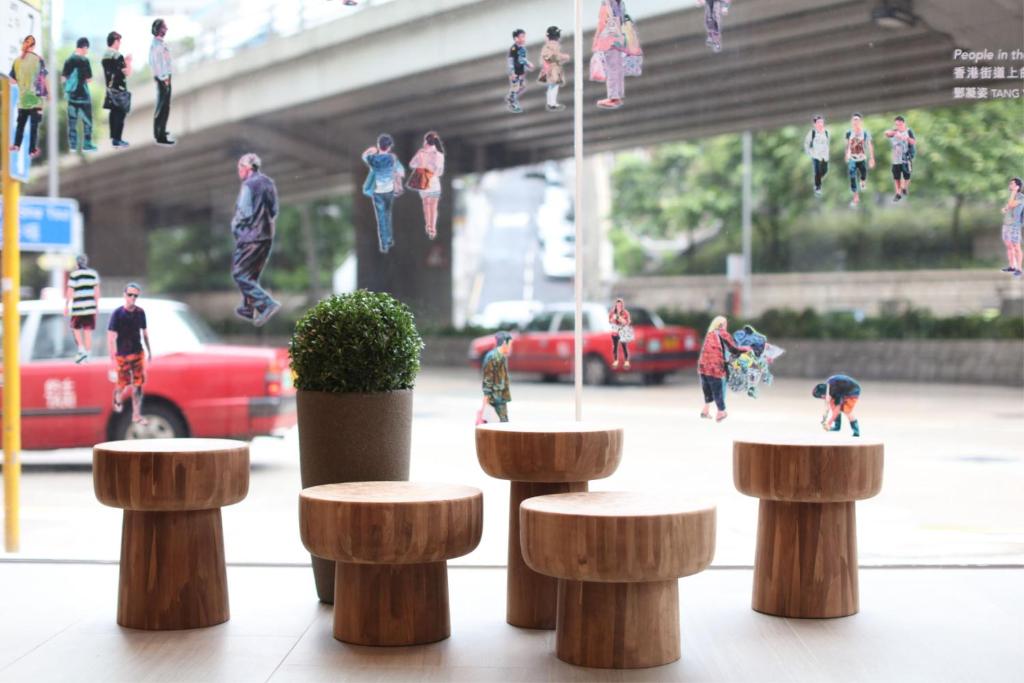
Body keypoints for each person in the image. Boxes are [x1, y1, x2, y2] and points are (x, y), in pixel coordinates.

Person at [231, 153, 282, 326]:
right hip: (267, 235)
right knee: (250, 274)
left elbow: (244, 213)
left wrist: (235, 227)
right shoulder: (268, 183)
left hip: (251, 237)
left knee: (239, 273)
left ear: (247, 168)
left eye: (240, 167)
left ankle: (266, 304)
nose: (239, 171)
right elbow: (274, 210)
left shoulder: (249, 185)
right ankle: (248, 307)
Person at [107, 283, 152, 425]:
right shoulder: (117, 313)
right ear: (124, 295)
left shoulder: (140, 312)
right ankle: (117, 400)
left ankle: (136, 414)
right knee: (122, 383)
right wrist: (112, 357)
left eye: (135, 295)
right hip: (122, 355)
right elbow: (111, 336)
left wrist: (149, 350)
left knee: (138, 385)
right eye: (130, 295)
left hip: (137, 353)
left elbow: (144, 333)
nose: (132, 298)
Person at [697, 316, 750, 422]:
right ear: (721, 325)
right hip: (714, 368)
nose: (726, 326)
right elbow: (733, 349)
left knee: (707, 390)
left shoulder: (710, 334)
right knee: (718, 390)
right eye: (725, 324)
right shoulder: (722, 333)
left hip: (703, 367)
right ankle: (720, 412)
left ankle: (705, 410)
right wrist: (746, 349)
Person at [362, 134, 405, 254]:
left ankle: (384, 243)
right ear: (389, 147)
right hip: (389, 191)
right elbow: (401, 172)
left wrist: (371, 150)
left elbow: (364, 156)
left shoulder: (373, 159)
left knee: (381, 218)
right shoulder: (392, 158)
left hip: (377, 192)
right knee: (387, 215)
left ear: (378, 145)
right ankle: (389, 239)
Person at [8, 35, 47, 159]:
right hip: (35, 100)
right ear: (33, 46)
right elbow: (42, 79)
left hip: (23, 99)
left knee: (20, 125)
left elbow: (12, 81)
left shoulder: (17, 61)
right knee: (34, 127)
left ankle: (16, 145)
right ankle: (32, 150)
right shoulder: (38, 59)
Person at [592, 0, 629, 109]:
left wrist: (596, 40)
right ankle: (618, 95)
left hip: (609, 39)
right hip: (619, 38)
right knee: (617, 68)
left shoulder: (606, 4)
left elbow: (602, 23)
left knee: (612, 69)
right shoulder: (619, 4)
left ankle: (613, 97)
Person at [62, 37, 97, 152]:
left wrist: (68, 89)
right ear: (84, 47)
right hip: (83, 97)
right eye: (87, 48)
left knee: (72, 121)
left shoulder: (68, 60)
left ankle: (73, 145)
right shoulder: (84, 60)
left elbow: (63, 78)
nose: (87, 51)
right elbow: (89, 79)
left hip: (72, 97)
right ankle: (87, 144)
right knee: (87, 121)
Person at [408, 131, 445, 239]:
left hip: (423, 181)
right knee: (434, 206)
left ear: (426, 141)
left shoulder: (421, 152)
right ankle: (433, 227)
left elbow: (412, 164)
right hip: (434, 182)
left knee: (426, 204)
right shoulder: (439, 154)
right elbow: (440, 172)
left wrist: (421, 164)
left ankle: (428, 224)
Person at [65, 254, 100, 364]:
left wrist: (66, 305)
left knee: (75, 328)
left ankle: (81, 348)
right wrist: (96, 306)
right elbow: (96, 291)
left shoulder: (74, 275)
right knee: (87, 331)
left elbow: (70, 291)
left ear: (77, 263)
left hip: (78, 307)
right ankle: (88, 353)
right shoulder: (93, 274)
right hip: (90, 307)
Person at [102, 31, 132, 148]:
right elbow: (127, 72)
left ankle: (114, 137)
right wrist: (128, 62)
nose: (120, 44)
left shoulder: (105, 56)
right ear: (116, 41)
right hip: (119, 89)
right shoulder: (117, 55)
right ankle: (118, 139)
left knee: (113, 112)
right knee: (120, 113)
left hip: (110, 88)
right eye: (119, 41)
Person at [149, 18, 175, 145]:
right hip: (163, 78)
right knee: (162, 107)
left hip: (165, 77)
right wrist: (164, 78)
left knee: (165, 106)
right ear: (159, 29)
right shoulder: (157, 45)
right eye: (164, 27)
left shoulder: (160, 43)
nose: (166, 29)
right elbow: (157, 63)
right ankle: (160, 135)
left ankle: (161, 131)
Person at [843, 113, 875, 208]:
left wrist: (872, 158)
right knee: (852, 175)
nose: (855, 122)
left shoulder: (865, 133)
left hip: (862, 158)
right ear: (852, 122)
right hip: (852, 158)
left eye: (857, 120)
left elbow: (869, 145)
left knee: (863, 173)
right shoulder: (849, 133)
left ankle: (863, 181)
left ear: (860, 122)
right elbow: (847, 145)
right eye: (854, 120)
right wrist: (847, 154)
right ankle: (855, 196)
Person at [481, 331, 513, 422]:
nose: (511, 347)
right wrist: (486, 397)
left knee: (500, 421)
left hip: (500, 396)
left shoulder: (501, 357)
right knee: (500, 422)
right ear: (504, 343)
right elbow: (488, 378)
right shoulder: (493, 357)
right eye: (510, 344)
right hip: (495, 398)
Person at [884, 115, 916, 202]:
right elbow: (886, 133)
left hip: (906, 157)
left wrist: (905, 138)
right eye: (897, 125)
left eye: (900, 124)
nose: (898, 126)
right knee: (896, 177)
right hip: (896, 158)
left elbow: (913, 142)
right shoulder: (895, 131)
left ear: (904, 123)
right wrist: (895, 133)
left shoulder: (908, 131)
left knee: (907, 175)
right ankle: (898, 193)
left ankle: (904, 187)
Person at [539, 26, 570, 112]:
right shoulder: (554, 45)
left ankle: (551, 103)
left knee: (551, 86)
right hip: (553, 69)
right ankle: (552, 103)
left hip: (549, 68)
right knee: (554, 86)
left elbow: (546, 58)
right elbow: (555, 56)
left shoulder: (547, 45)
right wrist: (564, 57)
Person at [1000, 177, 1024, 278]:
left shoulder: (1021, 197)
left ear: (1017, 186)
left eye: (1012, 184)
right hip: (1006, 224)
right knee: (1009, 245)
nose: (1010, 185)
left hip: (1015, 225)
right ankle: (1012, 266)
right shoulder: (1011, 195)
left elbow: (1010, 204)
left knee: (1016, 247)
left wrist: (1014, 192)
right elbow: (1008, 207)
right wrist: (1005, 209)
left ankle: (1019, 269)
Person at [506, 29, 534, 114]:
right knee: (515, 86)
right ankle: (512, 102)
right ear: (516, 38)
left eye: (524, 37)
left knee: (522, 86)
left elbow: (522, 59)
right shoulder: (514, 48)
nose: (524, 39)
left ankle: (511, 96)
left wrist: (528, 64)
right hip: (515, 72)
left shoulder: (522, 48)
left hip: (521, 71)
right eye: (521, 37)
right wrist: (512, 72)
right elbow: (510, 60)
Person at [804, 115, 830, 197]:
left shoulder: (826, 132)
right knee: (817, 171)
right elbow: (807, 143)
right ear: (815, 124)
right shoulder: (812, 133)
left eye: (822, 122)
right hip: (815, 155)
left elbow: (827, 143)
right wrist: (809, 152)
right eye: (818, 122)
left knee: (825, 171)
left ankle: (817, 179)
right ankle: (818, 187)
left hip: (824, 156)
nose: (820, 124)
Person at [608, 298, 632, 370]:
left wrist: (620, 319)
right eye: (617, 304)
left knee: (624, 347)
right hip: (615, 332)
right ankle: (616, 360)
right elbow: (609, 321)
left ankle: (626, 361)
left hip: (622, 332)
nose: (618, 306)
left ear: (622, 305)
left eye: (620, 304)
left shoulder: (625, 313)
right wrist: (613, 319)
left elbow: (627, 322)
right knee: (615, 347)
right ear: (616, 305)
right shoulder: (612, 312)